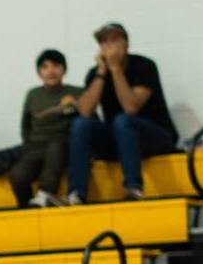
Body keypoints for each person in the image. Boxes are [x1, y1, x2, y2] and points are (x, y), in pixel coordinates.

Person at [68, 22, 179, 203]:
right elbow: (85, 111)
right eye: (104, 42)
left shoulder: (144, 65)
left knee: (123, 120)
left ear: (126, 44)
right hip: (120, 139)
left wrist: (116, 69)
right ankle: (76, 193)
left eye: (114, 40)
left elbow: (131, 108)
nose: (109, 46)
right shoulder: (95, 73)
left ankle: (133, 188)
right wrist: (103, 71)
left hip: (155, 137)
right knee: (81, 125)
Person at [9, 49, 82, 207]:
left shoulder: (77, 92)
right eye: (45, 67)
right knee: (18, 175)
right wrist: (28, 147)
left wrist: (76, 105)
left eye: (56, 66)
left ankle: (45, 194)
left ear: (64, 69)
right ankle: (27, 209)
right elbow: (25, 125)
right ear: (39, 73)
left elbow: (89, 121)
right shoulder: (33, 94)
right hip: (36, 147)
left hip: (62, 144)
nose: (51, 71)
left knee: (56, 146)